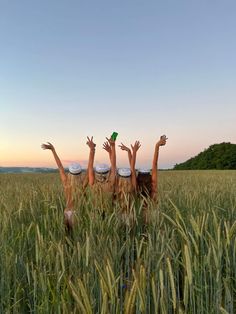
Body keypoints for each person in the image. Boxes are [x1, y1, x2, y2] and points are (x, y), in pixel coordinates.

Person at [41, 142, 87, 231]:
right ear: (80, 173)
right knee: (76, 236)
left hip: (67, 211)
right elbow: (89, 169)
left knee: (67, 235)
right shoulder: (82, 184)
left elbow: (60, 166)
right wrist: (92, 150)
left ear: (70, 172)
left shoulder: (66, 181)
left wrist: (53, 150)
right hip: (76, 212)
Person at [137, 135, 167, 222]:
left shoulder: (135, 191)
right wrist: (157, 146)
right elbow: (155, 164)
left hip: (138, 221)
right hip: (153, 221)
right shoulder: (153, 190)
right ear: (149, 176)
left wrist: (132, 153)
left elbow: (131, 169)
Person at [86, 135, 117, 212]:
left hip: (96, 214)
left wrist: (92, 149)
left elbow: (90, 166)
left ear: (96, 172)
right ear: (108, 173)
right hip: (110, 212)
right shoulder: (110, 183)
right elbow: (113, 165)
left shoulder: (93, 183)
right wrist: (112, 147)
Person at [116, 141, 141, 225]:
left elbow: (132, 167)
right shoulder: (132, 187)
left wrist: (130, 151)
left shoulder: (117, 188)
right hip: (131, 215)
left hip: (119, 216)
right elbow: (132, 168)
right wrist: (131, 152)